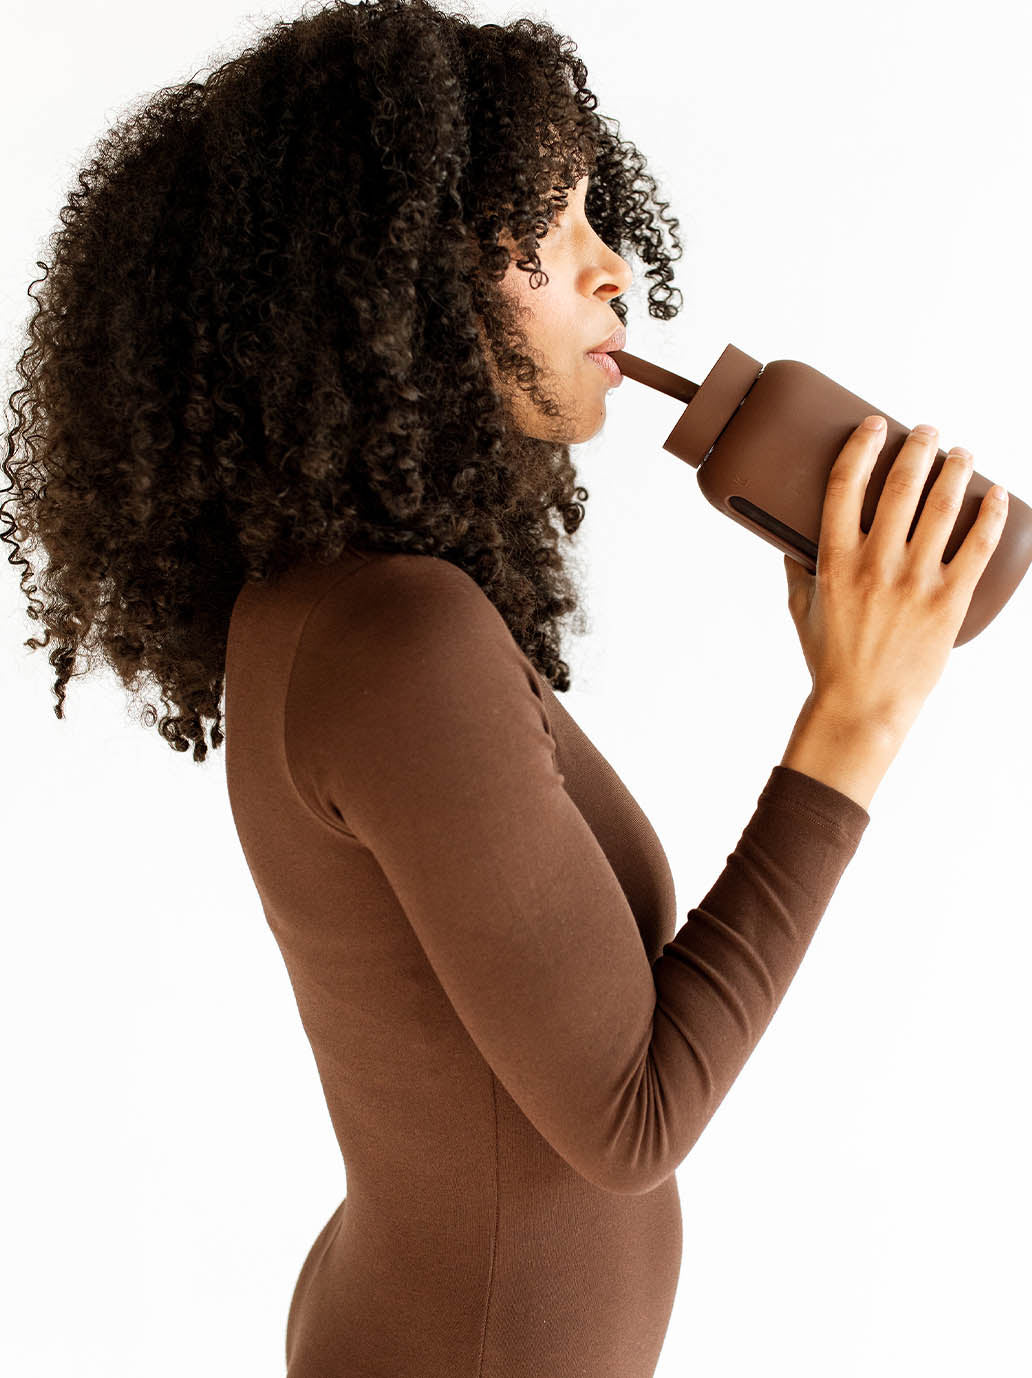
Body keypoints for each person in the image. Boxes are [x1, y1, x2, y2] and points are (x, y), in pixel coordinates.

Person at [2, 1, 1006, 1373]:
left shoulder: (354, 607)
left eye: (601, 210)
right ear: (388, 267)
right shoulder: (398, 641)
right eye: (554, 220)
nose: (614, 271)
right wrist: (857, 718)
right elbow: (631, 1119)